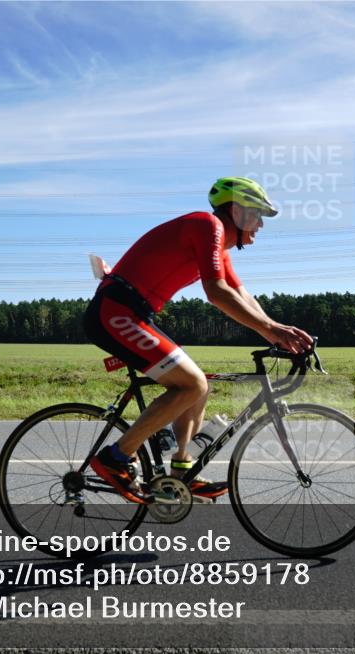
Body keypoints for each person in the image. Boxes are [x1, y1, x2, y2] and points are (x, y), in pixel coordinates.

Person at [82, 177, 313, 504]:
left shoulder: (220, 247)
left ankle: (181, 471)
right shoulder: (208, 225)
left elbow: (240, 294)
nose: (260, 224)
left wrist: (275, 328)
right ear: (237, 211)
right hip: (115, 311)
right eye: (257, 214)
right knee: (191, 385)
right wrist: (272, 331)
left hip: (133, 313)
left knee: (197, 384)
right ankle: (115, 458)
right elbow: (216, 293)